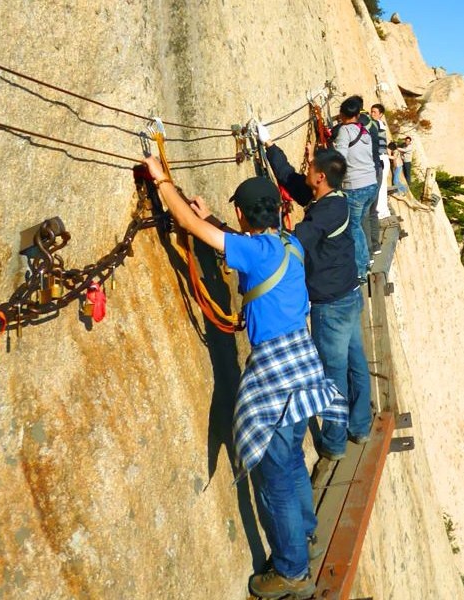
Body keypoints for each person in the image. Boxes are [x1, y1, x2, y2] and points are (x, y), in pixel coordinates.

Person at [142, 156, 345, 600]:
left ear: (241, 214)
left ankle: (291, 569)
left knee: (273, 479)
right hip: (302, 368)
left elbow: (196, 233)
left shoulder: (253, 251)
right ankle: (305, 539)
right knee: (291, 463)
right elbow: (232, 240)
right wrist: (207, 215)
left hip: (274, 373)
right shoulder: (290, 245)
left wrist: (162, 182)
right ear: (277, 211)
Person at [256, 122, 373, 465]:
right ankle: (360, 426)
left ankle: (335, 443)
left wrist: (256, 244)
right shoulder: (332, 200)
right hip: (348, 295)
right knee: (355, 362)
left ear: (321, 177)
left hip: (331, 304)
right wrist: (270, 146)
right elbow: (292, 180)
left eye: (312, 167)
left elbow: (298, 241)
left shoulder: (326, 211)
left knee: (333, 373)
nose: (307, 168)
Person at [331, 95, 379, 282]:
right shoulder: (364, 131)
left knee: (354, 227)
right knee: (359, 224)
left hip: (356, 186)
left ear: (342, 114)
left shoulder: (345, 131)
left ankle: (360, 269)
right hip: (371, 184)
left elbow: (340, 159)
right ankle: (365, 261)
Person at [369, 103, 391, 224]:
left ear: (381, 114)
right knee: (381, 186)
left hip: (381, 158)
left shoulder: (377, 124)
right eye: (371, 112)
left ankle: (380, 211)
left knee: (380, 186)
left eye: (375, 112)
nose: (372, 114)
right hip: (383, 158)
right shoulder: (381, 124)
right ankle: (381, 210)